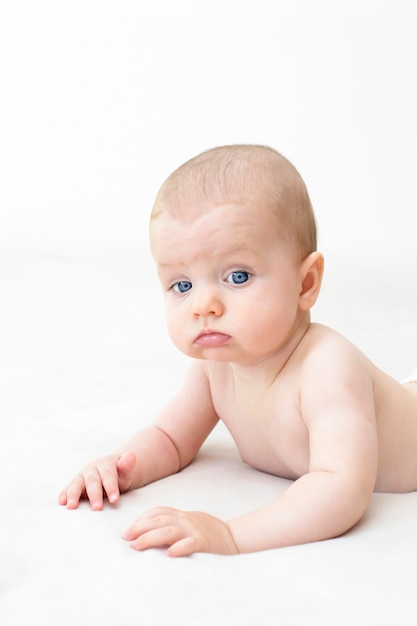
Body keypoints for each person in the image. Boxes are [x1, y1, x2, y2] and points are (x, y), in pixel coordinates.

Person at [59, 144, 417, 557]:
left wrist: (231, 534)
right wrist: (121, 467)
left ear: (305, 284)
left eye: (238, 276)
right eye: (182, 285)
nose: (203, 306)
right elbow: (170, 439)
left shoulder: (327, 367)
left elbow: (341, 489)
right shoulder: (216, 369)